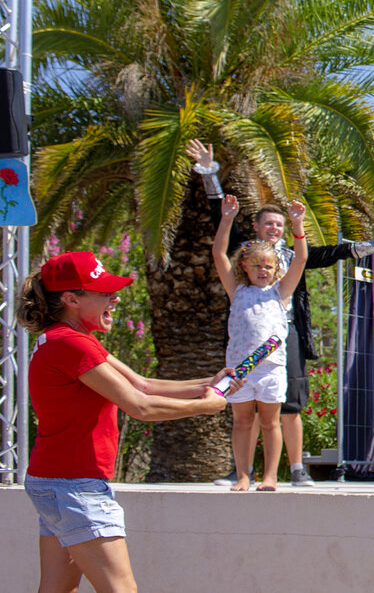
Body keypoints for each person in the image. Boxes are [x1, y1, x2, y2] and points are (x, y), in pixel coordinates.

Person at [22, 250, 239, 593]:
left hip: (56, 482)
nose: (116, 298)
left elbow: (142, 385)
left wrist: (207, 385)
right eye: (104, 292)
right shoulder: (72, 345)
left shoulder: (68, 339)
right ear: (71, 299)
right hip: (74, 486)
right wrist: (205, 407)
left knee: (57, 589)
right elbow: (139, 406)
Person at [188, 139, 374, 486]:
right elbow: (220, 244)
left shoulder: (283, 278)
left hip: (280, 347)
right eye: (268, 224)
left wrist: (368, 245)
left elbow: (318, 255)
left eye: (279, 225)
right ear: (255, 234)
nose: (274, 229)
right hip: (241, 357)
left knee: (285, 409)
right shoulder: (240, 274)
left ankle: (291, 469)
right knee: (244, 417)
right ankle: (242, 472)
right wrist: (212, 180)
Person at [213, 195, 309, 491]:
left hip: (271, 369)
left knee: (270, 423)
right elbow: (218, 253)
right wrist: (227, 219)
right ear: (244, 265)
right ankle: (243, 475)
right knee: (242, 422)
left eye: (268, 266)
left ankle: (270, 476)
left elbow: (301, 259)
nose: (262, 270)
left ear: (276, 267)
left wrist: (297, 225)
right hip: (240, 370)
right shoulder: (237, 291)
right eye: (256, 265)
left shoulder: (281, 293)